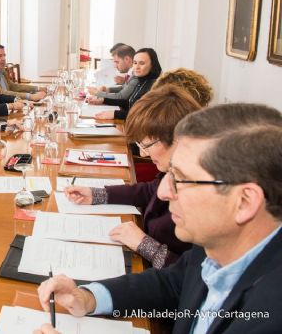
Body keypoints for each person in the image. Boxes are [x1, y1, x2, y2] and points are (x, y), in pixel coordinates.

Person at [38, 103, 282, 334]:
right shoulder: (214, 247)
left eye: (180, 178)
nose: (164, 191)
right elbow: (172, 283)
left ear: (245, 201)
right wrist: (89, 298)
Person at [65, 85, 199, 268]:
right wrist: (95, 194)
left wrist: (145, 245)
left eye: (147, 145)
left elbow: (197, 279)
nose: (143, 154)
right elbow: (149, 190)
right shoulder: (178, 170)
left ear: (177, 139)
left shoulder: (204, 190)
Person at [88, 47, 162, 120]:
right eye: (135, 63)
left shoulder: (154, 86)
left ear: (152, 65)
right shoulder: (142, 80)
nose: (136, 67)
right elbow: (130, 102)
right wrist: (104, 100)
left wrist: (115, 114)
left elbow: (142, 114)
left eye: (142, 63)